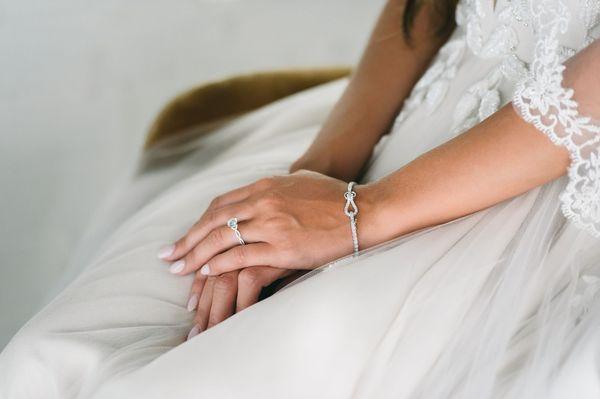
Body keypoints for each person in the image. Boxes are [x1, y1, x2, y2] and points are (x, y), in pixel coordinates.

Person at [2, 0, 600, 397]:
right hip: (393, 124)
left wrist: (364, 213)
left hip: (549, 185)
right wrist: (319, 176)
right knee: (43, 359)